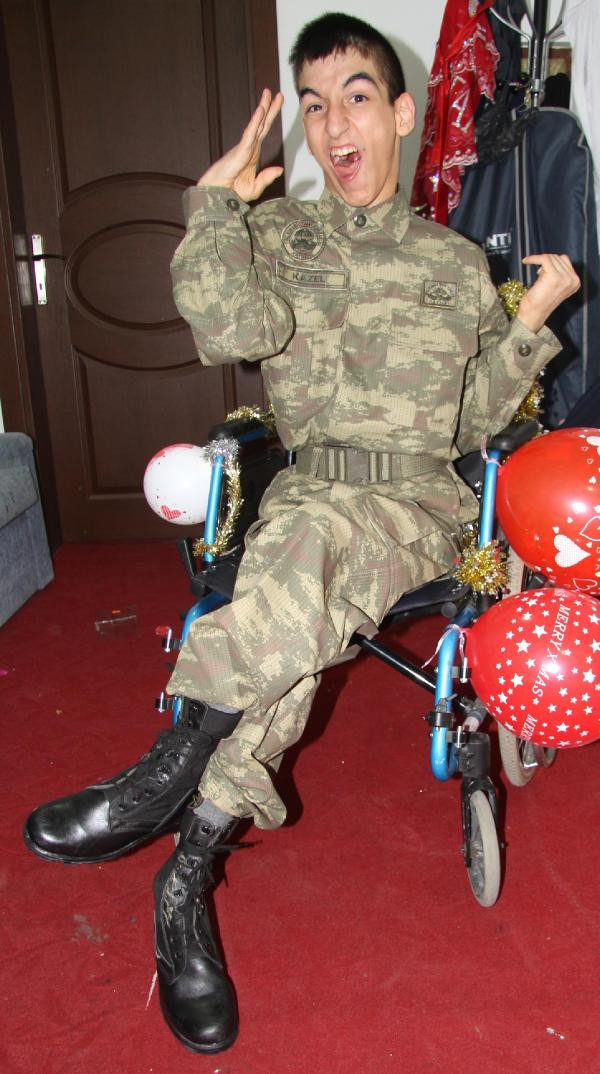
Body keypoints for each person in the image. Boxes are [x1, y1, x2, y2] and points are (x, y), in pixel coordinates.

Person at [23, 12, 579, 1056]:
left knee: (305, 559)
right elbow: (226, 330)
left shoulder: (456, 265)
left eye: (356, 98)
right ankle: (187, 868)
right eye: (314, 107)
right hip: (310, 497)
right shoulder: (284, 238)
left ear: (402, 115)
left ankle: (164, 771)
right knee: (301, 566)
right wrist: (211, 208)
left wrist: (526, 323)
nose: (334, 126)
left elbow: (472, 423)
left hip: (416, 509)